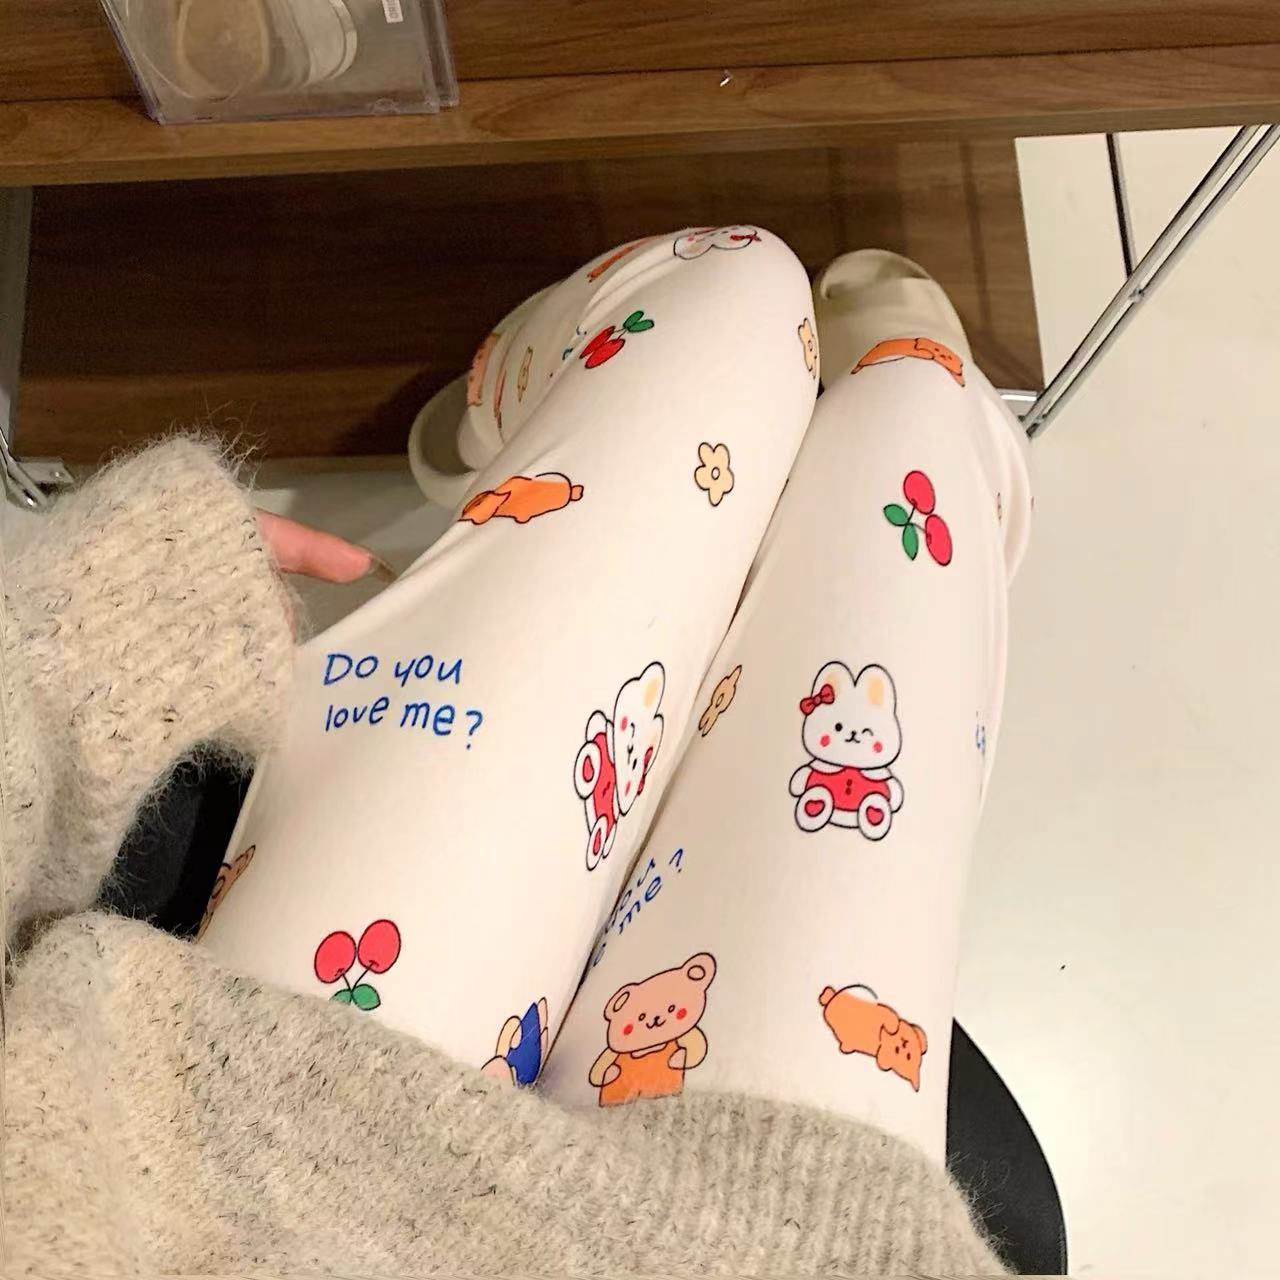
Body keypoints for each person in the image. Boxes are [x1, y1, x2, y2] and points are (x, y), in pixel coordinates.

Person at [1, 227, 1029, 1275]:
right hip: (772, 1236)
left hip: (227, 1140)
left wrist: (66, 646)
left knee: (751, 296)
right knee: (896, 399)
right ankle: (529, 414)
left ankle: (511, 422)